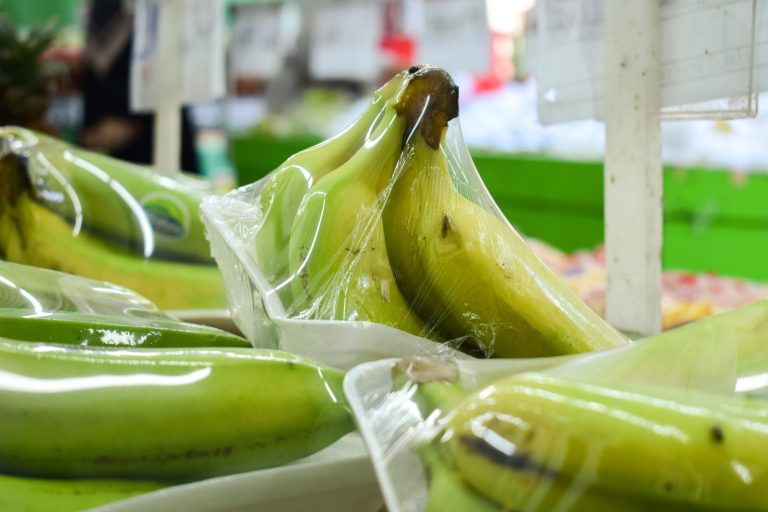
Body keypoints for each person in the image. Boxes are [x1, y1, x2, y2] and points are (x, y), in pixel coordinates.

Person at [80, 0, 200, 173]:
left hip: (154, 128)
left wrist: (132, 123)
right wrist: (92, 125)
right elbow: (93, 76)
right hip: (114, 141)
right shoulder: (99, 12)